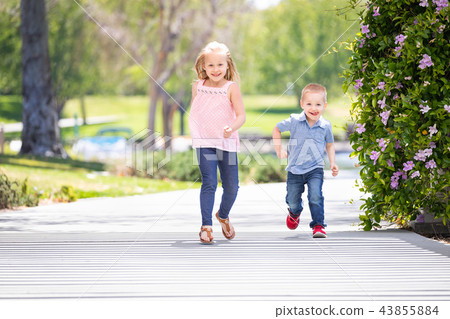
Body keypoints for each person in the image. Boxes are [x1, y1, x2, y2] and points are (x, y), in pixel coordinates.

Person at [189, 41, 246, 244]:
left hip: (227, 142)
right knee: (209, 183)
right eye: (211, 65)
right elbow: (196, 112)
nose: (215, 69)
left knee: (232, 187)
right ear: (203, 66)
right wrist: (196, 133)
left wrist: (232, 127)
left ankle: (222, 215)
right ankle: (206, 226)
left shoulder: (231, 88)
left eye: (220, 65)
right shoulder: (198, 87)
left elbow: (241, 115)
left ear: (227, 66)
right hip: (205, 142)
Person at [272, 83, 339, 238]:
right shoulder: (294, 120)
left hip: (315, 168)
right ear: (302, 104)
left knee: (316, 196)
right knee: (292, 199)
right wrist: (278, 149)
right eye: (309, 104)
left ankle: (318, 225)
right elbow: (277, 128)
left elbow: (329, 145)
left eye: (318, 104)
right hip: (295, 169)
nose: (313, 108)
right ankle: (294, 213)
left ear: (324, 106)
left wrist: (333, 163)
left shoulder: (325, 125)